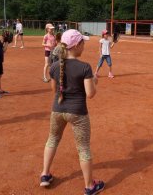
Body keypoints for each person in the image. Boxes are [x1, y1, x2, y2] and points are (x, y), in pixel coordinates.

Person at [40, 29, 105, 195]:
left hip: (57, 109)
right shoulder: (84, 67)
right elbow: (90, 94)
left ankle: (45, 175)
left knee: (52, 139)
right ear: (76, 45)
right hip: (78, 113)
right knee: (83, 148)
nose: (84, 46)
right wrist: (95, 81)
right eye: (82, 43)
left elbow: (55, 89)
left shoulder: (54, 66)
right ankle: (90, 186)